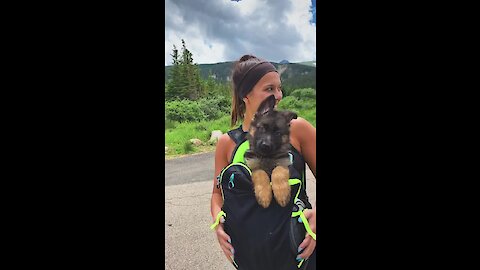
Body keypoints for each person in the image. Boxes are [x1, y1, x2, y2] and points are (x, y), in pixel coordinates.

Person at [210, 54, 316, 269]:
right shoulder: (227, 143)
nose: (278, 96)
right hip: (250, 259)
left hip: (299, 255)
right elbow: (216, 194)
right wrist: (217, 224)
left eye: (279, 88)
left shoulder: (297, 128)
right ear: (245, 94)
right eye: (269, 89)